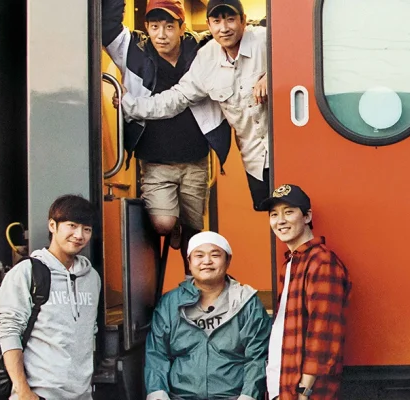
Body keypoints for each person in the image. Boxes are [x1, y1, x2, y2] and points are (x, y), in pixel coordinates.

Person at [102, 0, 232, 277]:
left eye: (169, 27)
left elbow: (243, 38)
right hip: (156, 161)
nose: (161, 34)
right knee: (163, 223)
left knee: (194, 228)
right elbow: (108, 26)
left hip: (195, 158)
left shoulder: (202, 49)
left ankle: (192, 283)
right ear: (146, 27)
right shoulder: (133, 50)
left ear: (182, 28)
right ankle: (173, 226)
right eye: (154, 26)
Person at [119, 0, 271, 211]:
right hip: (255, 157)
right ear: (209, 25)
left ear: (243, 21)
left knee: (295, 208)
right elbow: (177, 98)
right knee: (272, 213)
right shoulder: (206, 58)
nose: (224, 28)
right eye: (216, 21)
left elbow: (303, 49)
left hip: (288, 148)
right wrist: (129, 104)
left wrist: (273, 75)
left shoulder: (265, 39)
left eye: (230, 20)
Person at [0, 195, 101, 400]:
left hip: (82, 395)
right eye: (72, 226)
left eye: (86, 229)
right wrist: (23, 392)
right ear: (53, 225)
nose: (79, 235)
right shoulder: (26, 272)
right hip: (39, 394)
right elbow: (8, 332)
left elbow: (90, 333)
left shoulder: (91, 278)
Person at [144, 231, 271, 400]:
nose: (207, 261)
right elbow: (157, 353)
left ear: (228, 261)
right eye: (199, 255)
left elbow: (257, 357)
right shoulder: (170, 303)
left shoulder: (246, 302)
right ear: (189, 262)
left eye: (215, 255)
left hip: (233, 397)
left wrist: (248, 395)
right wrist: (157, 392)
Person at [261, 184, 352, 400]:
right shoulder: (291, 262)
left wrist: (304, 390)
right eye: (274, 214)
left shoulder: (322, 262)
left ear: (307, 216)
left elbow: (323, 331)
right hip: (283, 385)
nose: (280, 221)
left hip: (304, 392)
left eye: (288, 212)